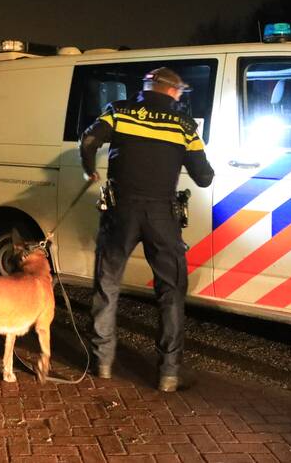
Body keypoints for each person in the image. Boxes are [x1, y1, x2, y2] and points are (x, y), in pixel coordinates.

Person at [79, 67, 214, 392]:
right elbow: (204, 177)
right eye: (180, 91)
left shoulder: (119, 112)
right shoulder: (184, 126)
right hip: (161, 216)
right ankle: (168, 373)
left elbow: (89, 141)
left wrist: (89, 171)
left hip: (120, 211)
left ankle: (103, 362)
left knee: (107, 285)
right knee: (170, 293)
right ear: (172, 91)